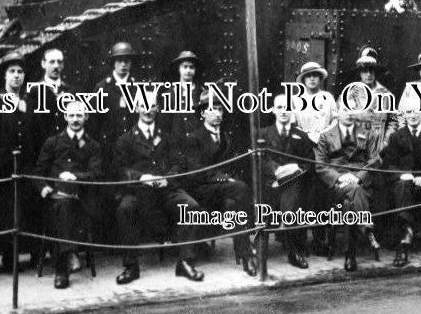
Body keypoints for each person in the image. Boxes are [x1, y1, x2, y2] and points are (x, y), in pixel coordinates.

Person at [113, 97, 204, 284]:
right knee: (125, 209)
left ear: (158, 108)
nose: (148, 110)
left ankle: (185, 263)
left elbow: (179, 164)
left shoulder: (168, 137)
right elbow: (120, 169)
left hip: (165, 191)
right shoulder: (126, 139)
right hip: (138, 191)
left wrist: (167, 179)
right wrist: (141, 178)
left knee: (191, 206)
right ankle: (131, 266)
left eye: (152, 105)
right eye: (143, 106)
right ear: (137, 107)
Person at [172, 89, 258, 276]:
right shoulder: (193, 139)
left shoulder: (225, 137)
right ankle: (247, 247)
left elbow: (232, 165)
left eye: (220, 109)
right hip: (199, 190)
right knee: (241, 188)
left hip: (223, 192)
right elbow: (197, 173)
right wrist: (226, 179)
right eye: (213, 109)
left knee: (235, 204)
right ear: (203, 113)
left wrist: (229, 177)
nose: (218, 113)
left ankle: (244, 255)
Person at [34, 100, 102, 289]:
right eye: (71, 115)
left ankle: (63, 265)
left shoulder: (93, 145)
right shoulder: (53, 142)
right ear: (65, 117)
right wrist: (42, 186)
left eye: (79, 115)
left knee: (66, 208)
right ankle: (64, 265)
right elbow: (38, 172)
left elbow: (96, 174)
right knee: (63, 207)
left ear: (86, 117)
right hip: (56, 199)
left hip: (83, 200)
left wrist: (75, 176)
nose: (75, 119)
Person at [315, 102, 382, 272]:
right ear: (337, 111)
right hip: (337, 186)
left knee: (349, 205)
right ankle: (366, 227)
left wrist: (358, 178)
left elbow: (375, 160)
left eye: (354, 109)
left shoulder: (368, 133)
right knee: (351, 194)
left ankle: (350, 255)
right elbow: (320, 166)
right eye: (345, 109)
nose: (350, 113)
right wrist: (340, 177)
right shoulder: (325, 136)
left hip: (361, 184)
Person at [380, 103, 421, 267]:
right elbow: (388, 164)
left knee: (406, 190)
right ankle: (405, 239)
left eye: (416, 111)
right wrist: (402, 175)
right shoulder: (396, 136)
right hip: (405, 185)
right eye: (409, 111)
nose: (412, 115)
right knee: (403, 186)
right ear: (404, 115)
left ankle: (405, 235)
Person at [0, 51, 37, 269]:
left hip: (26, 165)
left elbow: (34, 134)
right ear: (5, 76)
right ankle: (9, 258)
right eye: (12, 72)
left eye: (20, 72)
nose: (16, 76)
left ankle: (33, 255)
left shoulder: (30, 102)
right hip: (5, 167)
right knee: (6, 212)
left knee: (27, 208)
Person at [259, 93, 315, 269]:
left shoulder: (301, 135)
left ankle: (292, 248)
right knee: (291, 191)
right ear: (274, 110)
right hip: (269, 187)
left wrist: (296, 168)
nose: (284, 111)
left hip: (295, 186)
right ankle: (291, 239)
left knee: (293, 187)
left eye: (288, 108)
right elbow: (257, 160)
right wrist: (276, 170)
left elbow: (310, 163)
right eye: (280, 107)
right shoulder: (262, 133)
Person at [291, 61, 338, 255]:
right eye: (309, 76)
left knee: (322, 194)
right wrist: (307, 136)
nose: (312, 79)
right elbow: (293, 124)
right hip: (303, 149)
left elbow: (335, 120)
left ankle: (320, 239)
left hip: (325, 150)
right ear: (303, 79)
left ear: (320, 78)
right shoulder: (295, 100)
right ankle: (300, 241)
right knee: (303, 193)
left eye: (316, 76)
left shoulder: (327, 98)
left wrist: (323, 134)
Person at [90, 42, 140, 177]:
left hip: (132, 147)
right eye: (119, 60)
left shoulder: (137, 87)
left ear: (131, 63)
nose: (123, 64)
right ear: (113, 62)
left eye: (127, 60)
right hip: (108, 148)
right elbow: (94, 122)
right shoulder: (102, 87)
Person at [25, 48, 77, 168]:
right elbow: (31, 126)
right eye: (52, 62)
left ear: (63, 65)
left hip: (67, 153)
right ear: (43, 64)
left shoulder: (71, 91)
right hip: (42, 152)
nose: (56, 66)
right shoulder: (34, 91)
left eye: (59, 62)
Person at [339, 54, 399, 155]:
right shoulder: (350, 93)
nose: (369, 74)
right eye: (365, 71)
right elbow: (339, 117)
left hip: (378, 145)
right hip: (355, 145)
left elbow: (393, 121)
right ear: (359, 73)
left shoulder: (385, 94)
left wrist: (386, 141)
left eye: (372, 70)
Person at [160, 50, 203, 142]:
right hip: (177, 145)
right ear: (179, 69)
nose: (188, 70)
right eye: (185, 67)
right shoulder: (170, 93)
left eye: (191, 67)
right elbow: (165, 124)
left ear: (195, 70)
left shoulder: (202, 92)